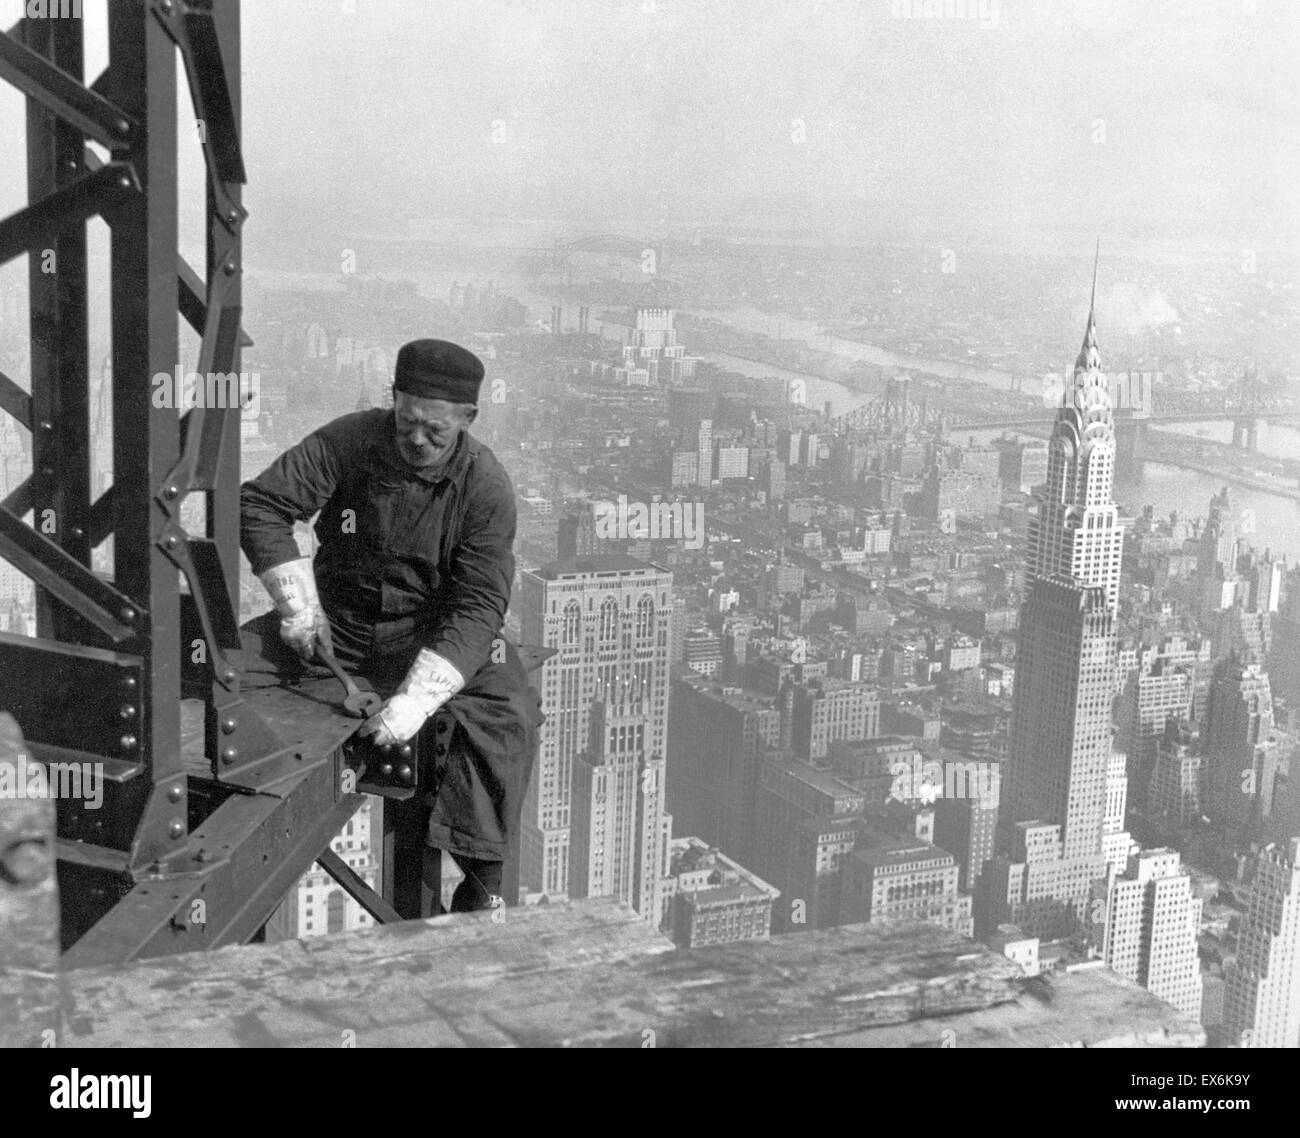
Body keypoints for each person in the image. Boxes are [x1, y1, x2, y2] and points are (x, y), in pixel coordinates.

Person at [239, 338, 541, 915]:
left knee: (509, 711)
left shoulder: (485, 486)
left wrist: (414, 703)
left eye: (435, 430)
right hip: (338, 627)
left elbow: (479, 606)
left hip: (428, 639)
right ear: (392, 400)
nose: (417, 440)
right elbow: (263, 505)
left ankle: (482, 883)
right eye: (406, 421)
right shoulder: (348, 440)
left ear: (468, 420)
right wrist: (299, 606)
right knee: (223, 667)